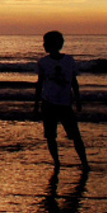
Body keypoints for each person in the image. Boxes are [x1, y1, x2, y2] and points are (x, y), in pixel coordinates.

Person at [33, 31, 90, 171]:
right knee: (51, 136)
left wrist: (78, 99)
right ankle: (57, 163)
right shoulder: (43, 62)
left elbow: (73, 82)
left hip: (65, 103)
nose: (43, 45)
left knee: (75, 135)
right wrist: (36, 104)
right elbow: (39, 84)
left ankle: (85, 163)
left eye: (45, 43)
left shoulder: (69, 61)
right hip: (48, 103)